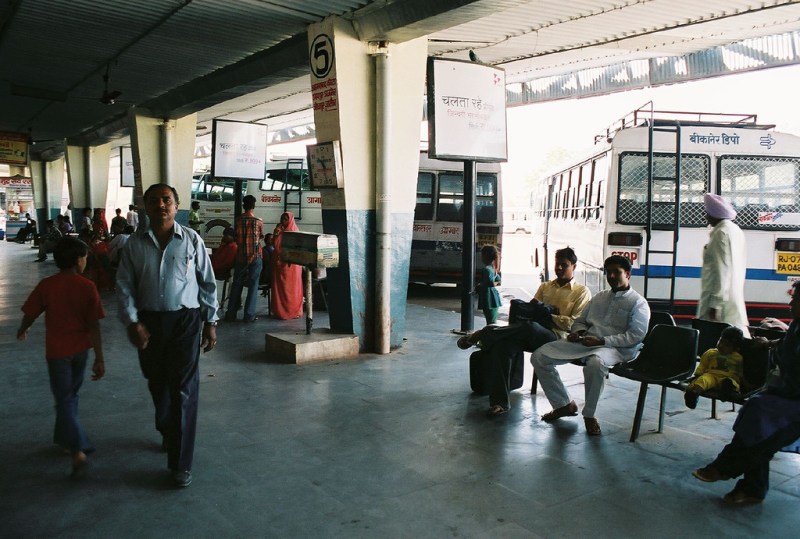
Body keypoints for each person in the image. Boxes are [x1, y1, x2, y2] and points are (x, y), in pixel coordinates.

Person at [116, 183, 218, 488]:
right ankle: (167, 429)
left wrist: (211, 321)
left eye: (167, 200)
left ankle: (180, 462)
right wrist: (133, 322)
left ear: (176, 206)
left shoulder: (191, 241)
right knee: (157, 382)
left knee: (184, 389)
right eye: (154, 201)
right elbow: (123, 286)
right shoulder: (134, 245)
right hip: (148, 322)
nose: (161, 205)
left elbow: (207, 283)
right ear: (145, 206)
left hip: (185, 321)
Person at [692, 281, 800, 505]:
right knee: (755, 410)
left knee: (762, 434)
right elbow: (788, 343)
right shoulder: (797, 325)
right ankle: (752, 488)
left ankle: (724, 468)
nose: (791, 303)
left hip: (796, 402)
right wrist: (769, 343)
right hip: (787, 395)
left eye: (796, 299)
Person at [458, 247, 592, 415]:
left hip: (557, 337)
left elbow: (573, 325)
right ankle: (500, 403)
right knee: (503, 346)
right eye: (557, 264)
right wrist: (545, 312)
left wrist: (549, 316)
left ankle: (485, 333)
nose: (558, 268)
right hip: (532, 332)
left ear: (574, 266)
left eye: (563, 265)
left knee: (530, 327)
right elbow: (531, 311)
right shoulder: (545, 287)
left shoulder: (581, 292)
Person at [532, 255, 650, 435]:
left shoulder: (638, 303)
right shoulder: (600, 297)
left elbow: (635, 336)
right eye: (608, 272)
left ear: (627, 274)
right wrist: (578, 332)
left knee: (595, 363)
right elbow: (581, 321)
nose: (611, 276)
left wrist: (602, 341)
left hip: (618, 349)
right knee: (539, 356)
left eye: (616, 272)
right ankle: (564, 405)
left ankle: (589, 414)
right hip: (587, 342)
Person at [17, 236, 105, 477]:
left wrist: (23, 328)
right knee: (70, 396)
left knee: (65, 398)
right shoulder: (87, 287)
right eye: (85, 257)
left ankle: (69, 443)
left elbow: (31, 312)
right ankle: (75, 446)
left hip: (57, 352)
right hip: (80, 351)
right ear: (79, 260)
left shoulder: (47, 285)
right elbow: (94, 325)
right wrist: (99, 357)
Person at [698, 193, 749, 335]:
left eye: (707, 213)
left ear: (715, 214)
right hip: (732, 296)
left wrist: (715, 304)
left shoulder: (721, 233)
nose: (706, 217)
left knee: (719, 344)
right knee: (736, 336)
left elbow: (722, 270)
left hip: (719, 302)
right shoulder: (735, 230)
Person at [684, 326, 745, 409]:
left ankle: (727, 391)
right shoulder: (710, 353)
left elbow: (740, 373)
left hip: (727, 378)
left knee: (732, 383)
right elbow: (703, 365)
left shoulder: (738, 358)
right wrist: (698, 375)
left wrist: (743, 382)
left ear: (736, 348)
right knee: (703, 380)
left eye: (727, 345)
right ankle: (693, 394)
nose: (721, 345)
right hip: (711, 375)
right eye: (721, 341)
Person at [225, 195, 263, 322]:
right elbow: (260, 238)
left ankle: (231, 313)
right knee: (253, 285)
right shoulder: (258, 221)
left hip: (241, 256)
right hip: (255, 257)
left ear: (243, 205)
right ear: (253, 206)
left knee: (237, 284)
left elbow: (235, 237)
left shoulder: (238, 220)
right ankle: (249, 315)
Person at [271, 212, 303, 320]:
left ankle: (292, 310)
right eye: (282, 219)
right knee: (281, 289)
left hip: (291, 266)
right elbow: (275, 246)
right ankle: (280, 310)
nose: (283, 221)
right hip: (279, 264)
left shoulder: (294, 232)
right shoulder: (280, 232)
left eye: (285, 219)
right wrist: (276, 235)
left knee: (291, 289)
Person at [477, 245, 502, 324]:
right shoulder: (493, 268)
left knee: (490, 321)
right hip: (494, 297)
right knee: (492, 320)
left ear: (485, 256)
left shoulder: (486, 269)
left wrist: (481, 285)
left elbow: (491, 283)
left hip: (488, 297)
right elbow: (499, 281)